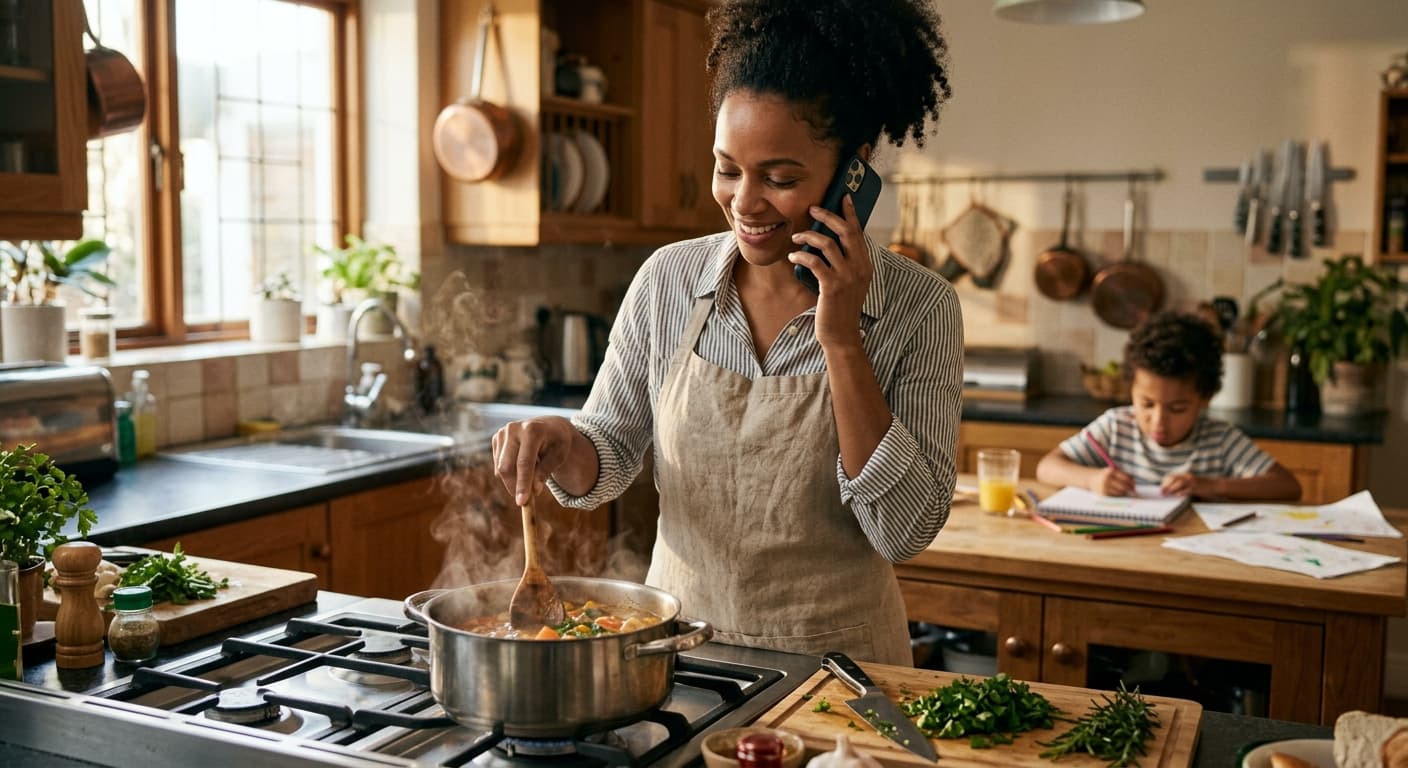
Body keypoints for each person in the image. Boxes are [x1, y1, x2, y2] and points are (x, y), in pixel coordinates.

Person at [491, 0, 960, 665]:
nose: (744, 202)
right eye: (728, 168)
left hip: (843, 675)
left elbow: (904, 530)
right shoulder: (669, 279)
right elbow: (612, 452)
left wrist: (844, 341)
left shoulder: (921, 308)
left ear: (853, 172)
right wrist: (562, 441)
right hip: (677, 662)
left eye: (781, 177)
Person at [1036, 310, 1301, 501]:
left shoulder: (1220, 440)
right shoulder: (1116, 427)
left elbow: (1287, 486)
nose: (1159, 421)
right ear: (1131, 390)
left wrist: (1211, 486)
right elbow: (1047, 467)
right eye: (1147, 404)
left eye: (1177, 408)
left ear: (1205, 398)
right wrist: (1092, 480)